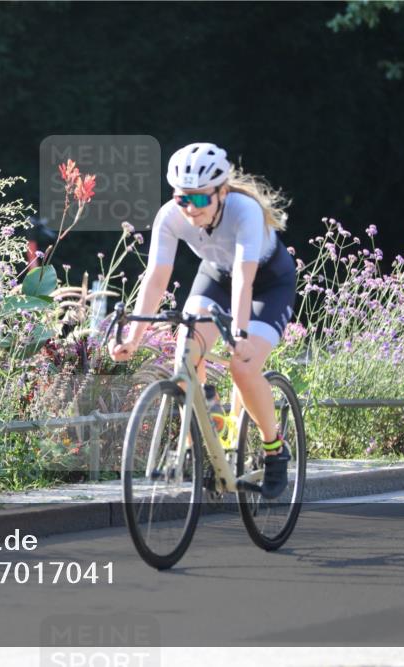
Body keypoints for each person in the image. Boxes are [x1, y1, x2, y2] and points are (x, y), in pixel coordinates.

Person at [108, 142, 296, 498]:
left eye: (198, 199)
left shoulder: (245, 212)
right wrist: (133, 337)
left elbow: (244, 277)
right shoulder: (171, 215)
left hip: (267, 284)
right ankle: (209, 433)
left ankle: (275, 449)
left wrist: (238, 333)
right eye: (182, 199)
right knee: (185, 353)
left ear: (222, 192)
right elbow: (156, 276)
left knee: (243, 368)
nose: (189, 209)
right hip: (216, 276)